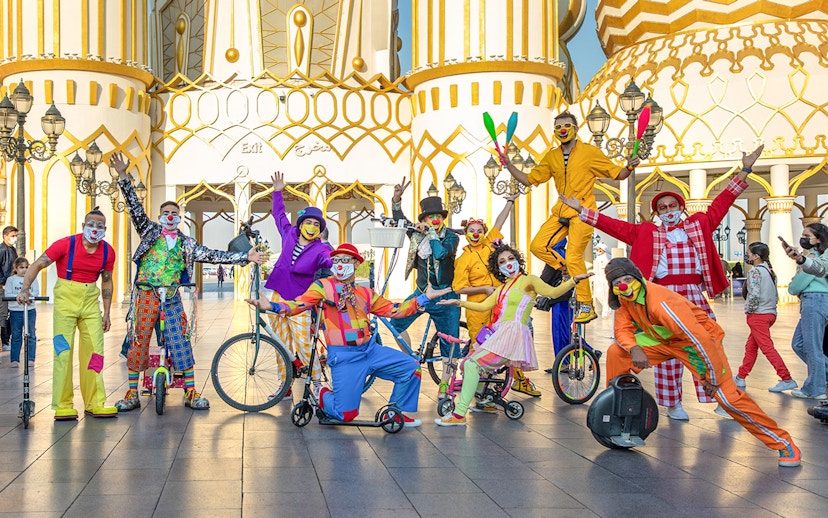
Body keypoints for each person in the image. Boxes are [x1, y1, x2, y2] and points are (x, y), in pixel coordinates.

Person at [558, 144, 764, 420]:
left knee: (707, 344)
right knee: (667, 351)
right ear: (656, 212)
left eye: (673, 205)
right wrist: (583, 211)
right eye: (663, 207)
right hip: (661, 297)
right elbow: (614, 226)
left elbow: (721, 203)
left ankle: (717, 397)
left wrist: (746, 169)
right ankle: (673, 403)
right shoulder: (647, 231)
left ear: (681, 207)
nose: (668, 210)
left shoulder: (698, 224)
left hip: (692, 295)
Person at [603, 258, 801, 467]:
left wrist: (712, 378)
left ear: (637, 278)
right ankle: (617, 415)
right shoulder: (626, 298)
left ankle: (783, 442)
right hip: (664, 340)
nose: (622, 285)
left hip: (696, 343)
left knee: (728, 398)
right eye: (617, 283)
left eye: (626, 279)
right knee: (617, 352)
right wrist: (634, 349)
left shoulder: (661, 302)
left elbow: (700, 339)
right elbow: (622, 329)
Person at [109, 153, 266, 412]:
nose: (170, 216)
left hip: (171, 296)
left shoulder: (186, 243)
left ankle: (191, 391)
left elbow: (214, 255)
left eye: (174, 213)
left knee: (180, 340)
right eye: (166, 212)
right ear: (159, 216)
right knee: (139, 340)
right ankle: (132, 392)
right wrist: (124, 176)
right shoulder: (149, 232)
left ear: (179, 217)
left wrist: (244, 257)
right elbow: (134, 206)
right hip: (147, 295)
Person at [246, 243, 451, 426]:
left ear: (355, 263)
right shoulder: (323, 286)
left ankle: (396, 411)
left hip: (371, 350)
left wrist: (424, 298)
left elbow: (394, 309)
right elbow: (299, 304)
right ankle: (320, 393)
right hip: (345, 357)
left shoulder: (365, 293)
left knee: (412, 368)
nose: (340, 264)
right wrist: (272, 306)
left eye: (345, 260)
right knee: (346, 414)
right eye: (336, 260)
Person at [500, 111, 639, 323]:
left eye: (567, 125)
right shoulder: (552, 156)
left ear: (575, 129)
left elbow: (617, 173)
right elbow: (530, 180)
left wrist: (629, 166)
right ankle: (565, 268)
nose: (562, 130)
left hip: (582, 212)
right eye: (558, 127)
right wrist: (508, 164)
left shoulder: (589, 153)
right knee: (537, 246)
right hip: (561, 210)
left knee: (574, 255)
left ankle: (586, 304)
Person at [434, 244, 591, 426]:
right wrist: (458, 303)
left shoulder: (529, 280)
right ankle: (486, 401)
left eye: (510, 259)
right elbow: (484, 306)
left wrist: (573, 281)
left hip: (513, 334)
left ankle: (459, 415)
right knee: (468, 362)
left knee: (471, 364)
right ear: (497, 268)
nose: (508, 263)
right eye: (502, 262)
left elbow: (552, 292)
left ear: (517, 260)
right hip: (499, 334)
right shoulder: (502, 288)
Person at [17, 208, 117, 420]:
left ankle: (95, 402)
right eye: (91, 224)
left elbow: (107, 281)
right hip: (65, 302)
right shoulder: (66, 244)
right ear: (83, 226)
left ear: (105, 229)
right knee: (63, 352)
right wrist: (25, 289)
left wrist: (106, 312)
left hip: (91, 302)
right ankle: (63, 404)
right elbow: (38, 264)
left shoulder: (108, 252)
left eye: (100, 226)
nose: (95, 229)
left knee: (95, 352)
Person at [452, 194, 541, 396]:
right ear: (465, 233)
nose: (476, 234)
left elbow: (499, 222)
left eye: (479, 230)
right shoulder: (463, 259)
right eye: (471, 231)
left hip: (502, 306)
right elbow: (459, 288)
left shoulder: (488, 245)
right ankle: (481, 392)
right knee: (481, 350)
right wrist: (483, 290)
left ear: (484, 232)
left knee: (511, 343)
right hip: (478, 310)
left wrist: (510, 201)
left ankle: (517, 379)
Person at [264, 171, 332, 387]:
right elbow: (279, 215)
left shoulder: (321, 249)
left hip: (301, 301)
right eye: (308, 222)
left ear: (320, 229)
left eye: (316, 224)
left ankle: (317, 385)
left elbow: (331, 261)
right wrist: (277, 192)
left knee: (303, 344)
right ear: (301, 224)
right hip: (278, 295)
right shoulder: (289, 234)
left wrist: (342, 261)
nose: (312, 226)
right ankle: (284, 385)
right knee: (281, 344)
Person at [390, 178, 461, 369]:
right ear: (423, 220)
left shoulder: (452, 237)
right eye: (430, 217)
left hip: (446, 295)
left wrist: (431, 234)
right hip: (421, 293)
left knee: (450, 344)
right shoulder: (416, 235)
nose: (435, 220)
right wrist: (396, 200)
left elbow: (440, 254)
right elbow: (400, 221)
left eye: (438, 216)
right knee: (395, 324)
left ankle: (446, 386)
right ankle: (411, 359)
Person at [735, 242, 796, 392]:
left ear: (756, 256)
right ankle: (741, 376)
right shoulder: (769, 271)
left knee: (767, 348)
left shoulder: (755, 272)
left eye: (749, 253)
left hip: (758, 315)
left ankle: (786, 378)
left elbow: (754, 295)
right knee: (751, 346)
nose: (747, 256)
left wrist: (749, 310)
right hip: (769, 313)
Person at [781, 223, 828, 400]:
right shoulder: (812, 256)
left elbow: (797, 285)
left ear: (818, 239)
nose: (803, 239)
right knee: (799, 344)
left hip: (814, 300)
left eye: (807, 236)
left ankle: (815, 389)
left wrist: (792, 287)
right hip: (814, 301)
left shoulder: (815, 257)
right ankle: (821, 378)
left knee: (812, 347)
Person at [5, 257, 37, 368]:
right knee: (16, 335)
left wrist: (27, 297)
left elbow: (35, 293)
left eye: (26, 267)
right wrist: (20, 296)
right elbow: (8, 294)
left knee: (31, 335)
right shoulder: (11, 280)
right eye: (21, 267)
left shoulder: (33, 278)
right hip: (16, 311)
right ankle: (14, 359)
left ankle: (31, 359)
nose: (24, 270)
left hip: (30, 310)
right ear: (16, 268)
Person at [0, 226, 18, 352]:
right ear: (5, 236)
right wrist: (2, 283)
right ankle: (4, 341)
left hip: (11, 285)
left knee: (12, 312)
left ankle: (9, 338)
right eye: (12, 236)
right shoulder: (2, 250)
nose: (14, 238)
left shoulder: (12, 249)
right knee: (3, 314)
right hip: (3, 287)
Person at [592, 243, 611, 319]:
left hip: (604, 279)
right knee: (598, 294)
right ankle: (607, 307)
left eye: (599, 249)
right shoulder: (597, 258)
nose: (597, 251)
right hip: (598, 279)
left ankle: (605, 311)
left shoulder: (605, 258)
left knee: (605, 295)